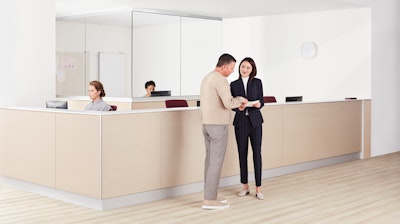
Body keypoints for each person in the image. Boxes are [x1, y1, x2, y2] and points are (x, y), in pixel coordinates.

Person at [200, 53, 248, 210]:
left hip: (207, 124)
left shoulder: (208, 77)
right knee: (216, 162)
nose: (233, 71)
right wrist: (240, 99)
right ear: (224, 66)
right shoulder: (220, 79)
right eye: (232, 68)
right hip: (218, 125)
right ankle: (209, 200)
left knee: (210, 161)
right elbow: (228, 103)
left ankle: (210, 195)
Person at [230, 57, 265, 200]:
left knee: (257, 154)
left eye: (248, 68)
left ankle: (258, 187)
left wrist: (258, 105)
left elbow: (261, 100)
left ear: (252, 70)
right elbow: (231, 104)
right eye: (242, 66)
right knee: (242, 154)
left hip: (255, 122)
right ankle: (244, 185)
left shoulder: (257, 82)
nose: (244, 69)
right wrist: (239, 107)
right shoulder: (233, 84)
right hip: (240, 123)